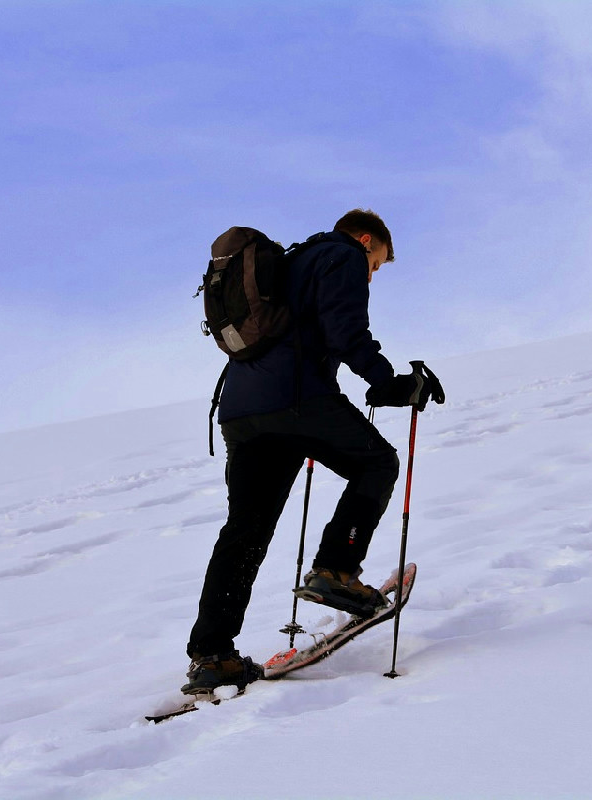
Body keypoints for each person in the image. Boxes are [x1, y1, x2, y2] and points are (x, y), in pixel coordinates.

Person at [183, 209, 436, 693]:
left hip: (241, 412)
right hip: (297, 400)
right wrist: (390, 384)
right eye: (378, 263)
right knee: (378, 463)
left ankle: (212, 655)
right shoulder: (341, 256)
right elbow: (346, 331)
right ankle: (336, 570)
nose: (373, 272)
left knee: (245, 531)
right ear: (366, 240)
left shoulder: (290, 260)